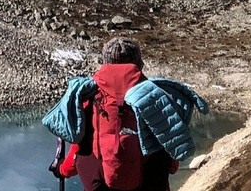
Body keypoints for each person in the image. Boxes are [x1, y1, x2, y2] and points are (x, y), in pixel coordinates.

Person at [42, 37, 208, 191]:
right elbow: (172, 156)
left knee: (88, 155)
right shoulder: (157, 95)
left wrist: (62, 169)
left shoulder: (88, 97)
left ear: (105, 63)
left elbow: (78, 149)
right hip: (150, 182)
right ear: (138, 64)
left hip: (101, 182)